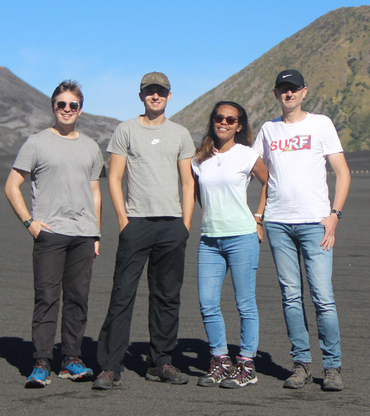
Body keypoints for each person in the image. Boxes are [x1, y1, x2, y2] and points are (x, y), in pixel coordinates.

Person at [92, 72, 196, 390]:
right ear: (141, 96)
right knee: (123, 294)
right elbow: (114, 177)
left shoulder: (180, 134)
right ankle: (110, 366)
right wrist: (124, 221)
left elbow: (188, 181)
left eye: (161, 92)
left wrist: (185, 225)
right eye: (150, 92)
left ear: (169, 95)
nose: (155, 96)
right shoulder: (126, 130)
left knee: (166, 296)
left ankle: (160, 361)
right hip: (136, 223)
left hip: (171, 225)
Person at [253, 69, 351, 392]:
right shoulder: (268, 130)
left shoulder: (320, 124)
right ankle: (301, 364)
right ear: (276, 93)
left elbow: (342, 172)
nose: (288, 94)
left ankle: (332, 366)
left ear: (304, 92)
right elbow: (255, 169)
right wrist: (259, 214)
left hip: (315, 224)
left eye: (293, 88)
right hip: (279, 223)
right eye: (283, 89)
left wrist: (334, 215)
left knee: (323, 297)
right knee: (291, 297)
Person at [4, 80, 103, 388]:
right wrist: (29, 222)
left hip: (83, 235)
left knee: (78, 299)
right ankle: (41, 362)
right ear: (53, 107)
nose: (67, 110)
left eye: (73, 105)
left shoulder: (90, 146)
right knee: (47, 298)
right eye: (61, 104)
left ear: (80, 109)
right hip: (50, 234)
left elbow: (95, 191)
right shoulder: (36, 143)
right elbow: (11, 186)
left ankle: (71, 360)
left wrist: (96, 233)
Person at [192, 101, 268, 389]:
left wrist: (258, 218)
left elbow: (268, 183)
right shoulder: (199, 159)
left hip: (242, 236)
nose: (223, 122)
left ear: (239, 125)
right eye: (219, 117)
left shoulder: (247, 155)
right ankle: (220, 360)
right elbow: (199, 194)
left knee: (245, 302)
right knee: (208, 302)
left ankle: (246, 363)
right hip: (210, 239)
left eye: (230, 119)